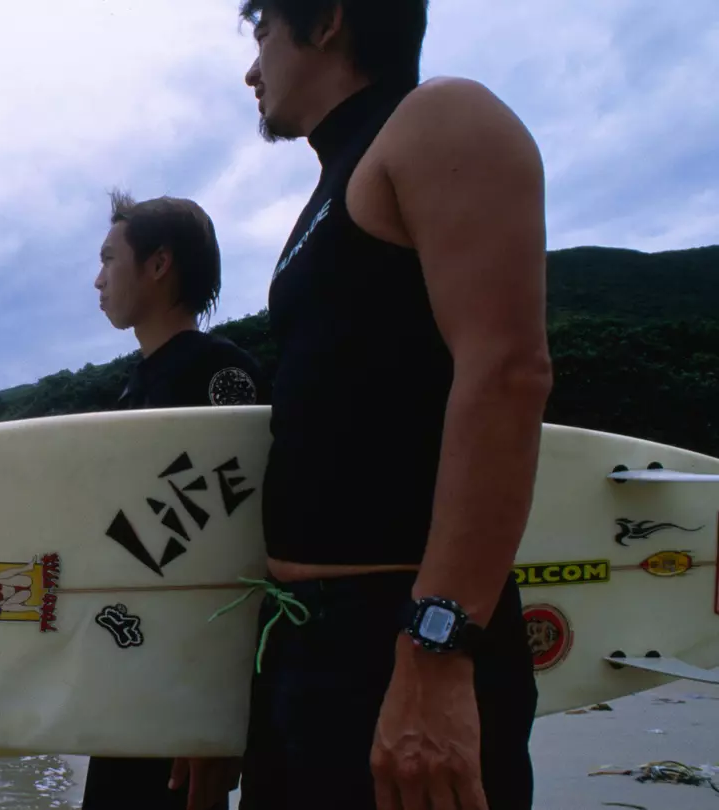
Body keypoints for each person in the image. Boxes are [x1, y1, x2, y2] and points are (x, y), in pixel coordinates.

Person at [204, 1, 553, 809]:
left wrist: (436, 647)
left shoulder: (440, 118)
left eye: (262, 33)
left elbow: (507, 375)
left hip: (397, 634)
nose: (252, 70)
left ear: (327, 19)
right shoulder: (337, 183)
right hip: (299, 641)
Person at [83, 189, 265, 810]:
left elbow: (240, 548)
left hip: (185, 690)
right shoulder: (137, 385)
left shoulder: (219, 375)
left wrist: (216, 715)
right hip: (131, 669)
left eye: (110, 259)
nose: (99, 279)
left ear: (158, 264)